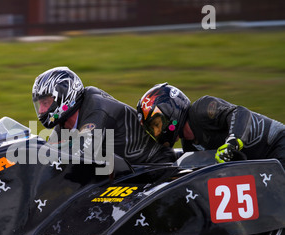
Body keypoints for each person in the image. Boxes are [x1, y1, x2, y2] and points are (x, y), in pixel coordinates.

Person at [32, 67, 176, 167]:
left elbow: (80, 155)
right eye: (40, 104)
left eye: (46, 103)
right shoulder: (65, 121)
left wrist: (42, 150)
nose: (42, 111)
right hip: (129, 173)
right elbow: (48, 157)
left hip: (156, 168)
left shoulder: (97, 109)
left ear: (64, 97)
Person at [136, 82, 285, 168]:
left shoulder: (202, 108)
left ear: (170, 111)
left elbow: (240, 112)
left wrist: (232, 141)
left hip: (276, 143)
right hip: (263, 166)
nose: (156, 131)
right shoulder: (189, 146)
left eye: (157, 124)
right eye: (152, 129)